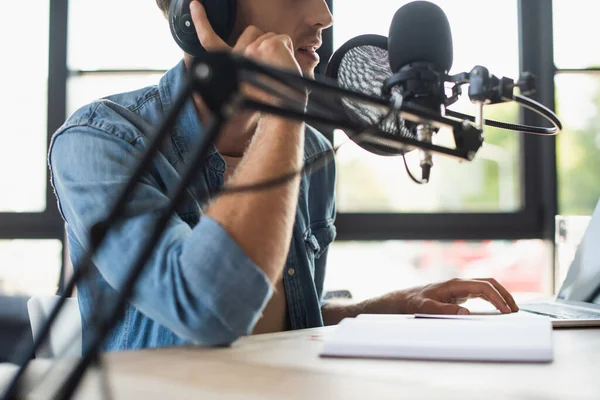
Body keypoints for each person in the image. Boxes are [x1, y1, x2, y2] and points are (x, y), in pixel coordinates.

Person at [48, 0, 519, 352]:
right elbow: (209, 309)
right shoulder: (101, 141)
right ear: (212, 8)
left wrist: (379, 309)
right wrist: (284, 107)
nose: (323, 15)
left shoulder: (309, 149)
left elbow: (275, 322)